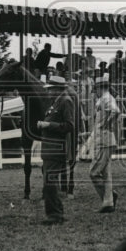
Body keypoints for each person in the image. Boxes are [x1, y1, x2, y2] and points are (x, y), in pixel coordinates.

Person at [36, 74, 75, 225]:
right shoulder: (56, 101)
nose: (48, 92)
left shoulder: (66, 101)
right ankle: (56, 212)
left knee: (49, 182)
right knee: (49, 182)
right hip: (50, 148)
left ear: (58, 89)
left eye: (51, 89)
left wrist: (48, 125)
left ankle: (54, 214)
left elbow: (69, 125)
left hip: (55, 148)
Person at [89, 73, 120, 212]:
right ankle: (108, 202)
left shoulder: (106, 98)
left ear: (99, 87)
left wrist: (106, 124)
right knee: (106, 174)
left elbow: (115, 111)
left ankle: (109, 197)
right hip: (105, 140)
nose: (95, 91)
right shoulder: (104, 98)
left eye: (95, 88)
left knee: (94, 172)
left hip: (104, 140)